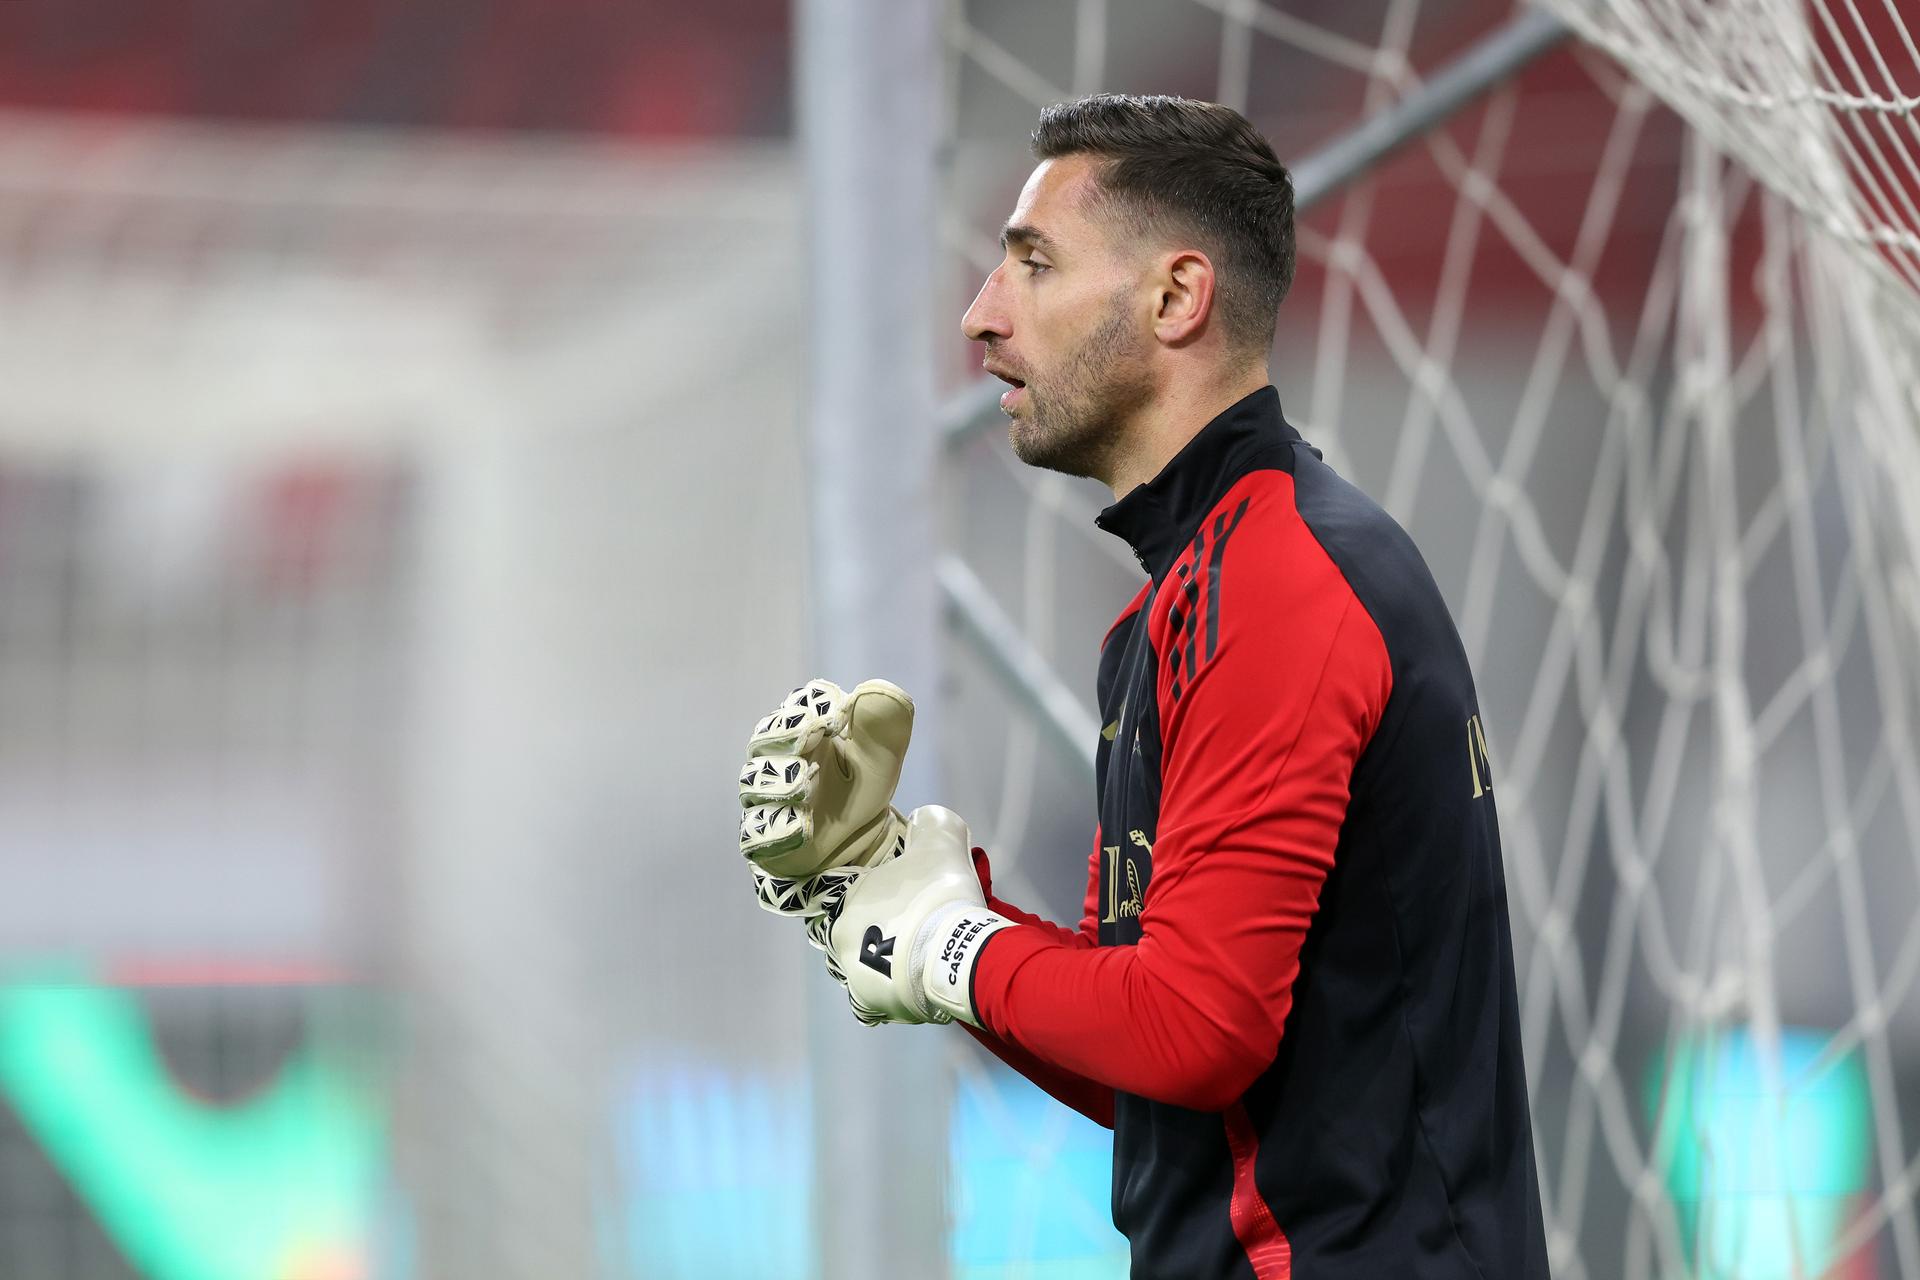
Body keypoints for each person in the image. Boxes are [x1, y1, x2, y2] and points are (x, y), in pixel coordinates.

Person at [738, 93, 1548, 1279]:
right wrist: (914, 914)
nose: (981, 315)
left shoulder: (1272, 580)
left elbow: (1196, 1031)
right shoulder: (1190, 593)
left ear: (1176, 298)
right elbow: (1175, 1081)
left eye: (1032, 262)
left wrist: (949, 942)